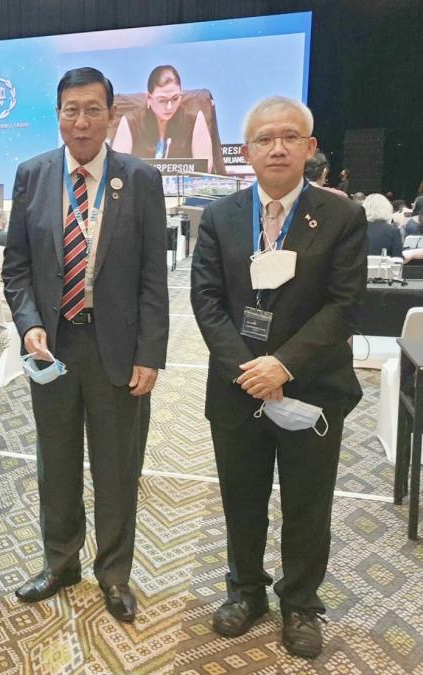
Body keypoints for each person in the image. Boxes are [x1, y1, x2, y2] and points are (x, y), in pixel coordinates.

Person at [190, 96, 366, 659]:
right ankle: (245, 590)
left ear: (309, 148)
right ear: (247, 152)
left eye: (290, 137)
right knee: (242, 499)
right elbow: (206, 300)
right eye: (265, 139)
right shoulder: (220, 216)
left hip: (311, 387)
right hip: (238, 386)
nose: (277, 148)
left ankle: (301, 604)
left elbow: (343, 305)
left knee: (307, 504)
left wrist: (283, 364)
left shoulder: (340, 215)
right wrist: (249, 370)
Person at [3, 67, 169, 622]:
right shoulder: (32, 175)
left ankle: (114, 575)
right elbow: (16, 268)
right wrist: (28, 323)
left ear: (111, 115)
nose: (81, 121)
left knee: (117, 467)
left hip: (116, 348)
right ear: (58, 115)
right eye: (71, 110)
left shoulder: (139, 179)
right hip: (52, 347)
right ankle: (60, 562)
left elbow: (153, 278)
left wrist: (150, 354)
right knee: (56, 463)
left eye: (93, 109)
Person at [111, 64, 216, 172]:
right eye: (162, 100)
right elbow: (118, 169)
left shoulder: (194, 118)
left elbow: (205, 168)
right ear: (149, 98)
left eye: (175, 98)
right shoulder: (131, 121)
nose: (169, 106)